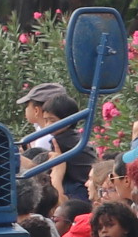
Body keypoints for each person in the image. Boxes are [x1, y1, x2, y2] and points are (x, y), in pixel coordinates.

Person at [17, 83, 95, 214]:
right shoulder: (68, 136)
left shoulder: (64, 139)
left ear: (68, 120)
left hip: (78, 186)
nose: (48, 126)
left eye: (52, 121)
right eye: (46, 120)